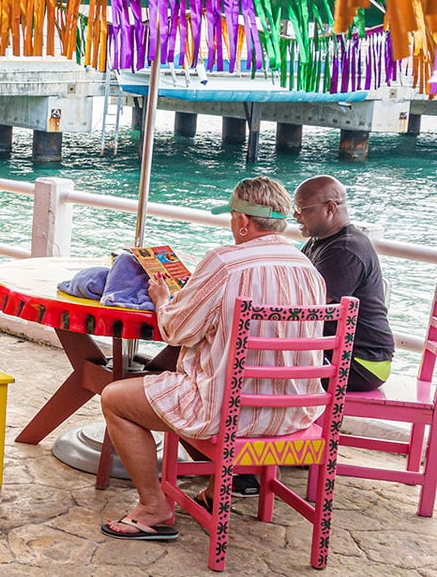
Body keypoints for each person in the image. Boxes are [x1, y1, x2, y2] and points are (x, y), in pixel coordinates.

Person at [98, 176, 326, 541]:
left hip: (230, 414)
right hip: (293, 414)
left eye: (233, 216)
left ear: (243, 221)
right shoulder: (308, 269)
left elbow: (177, 330)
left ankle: (153, 505)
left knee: (114, 399)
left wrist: (162, 299)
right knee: (202, 378)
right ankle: (214, 489)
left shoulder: (226, 262)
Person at [294, 175, 394, 391]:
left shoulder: (345, 250)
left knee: (269, 367)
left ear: (330, 208)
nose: (295, 215)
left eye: (302, 209)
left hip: (362, 362)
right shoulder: (321, 241)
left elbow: (310, 306)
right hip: (339, 351)